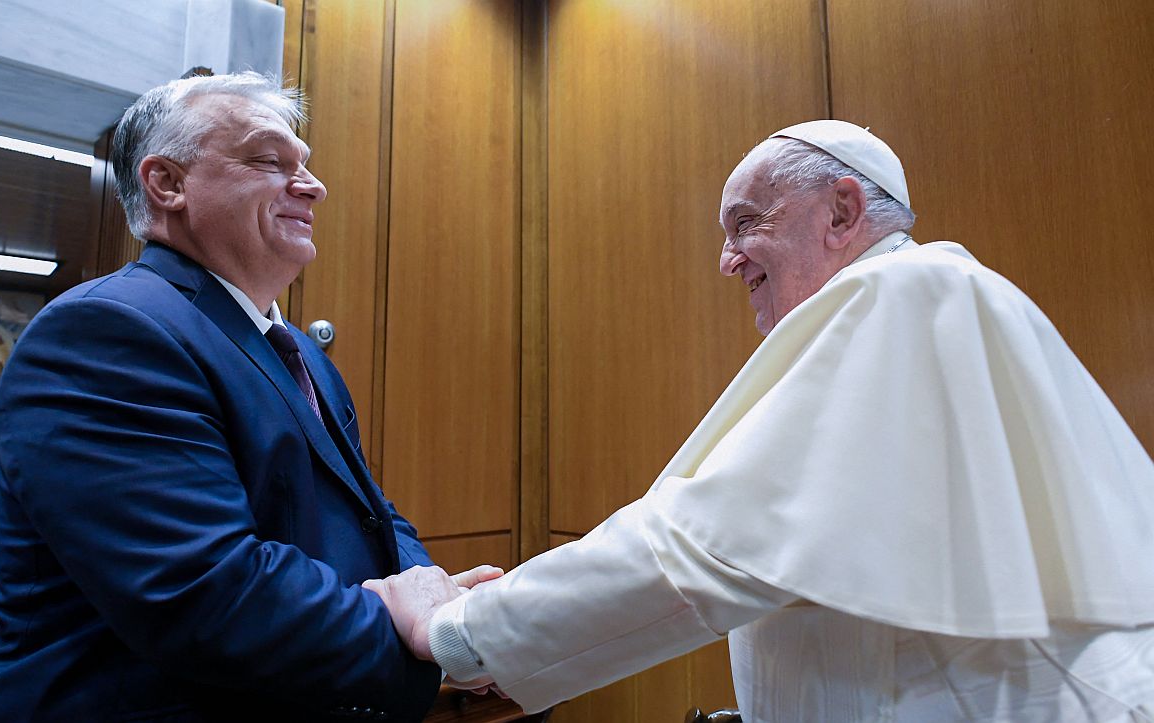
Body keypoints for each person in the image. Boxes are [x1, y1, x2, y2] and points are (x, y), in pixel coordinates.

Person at [365, 120, 1154, 721]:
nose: (728, 259)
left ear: (842, 210)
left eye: (746, 223)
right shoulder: (931, 297)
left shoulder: (904, 295)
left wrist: (455, 631)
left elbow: (702, 545)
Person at [0, 72, 498, 722]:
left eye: (305, 164)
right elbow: (199, 589)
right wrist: (432, 640)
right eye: (269, 161)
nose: (313, 186)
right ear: (168, 183)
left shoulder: (304, 354)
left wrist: (438, 605)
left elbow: (373, 516)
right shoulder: (104, 329)